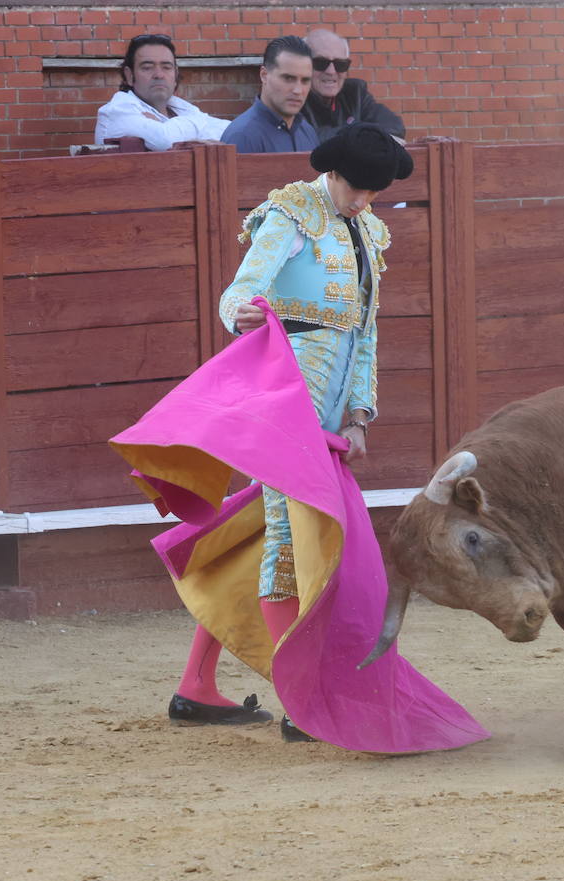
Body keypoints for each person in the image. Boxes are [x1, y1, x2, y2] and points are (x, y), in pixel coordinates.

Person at [171, 123, 399, 740]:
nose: (363, 201)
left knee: (267, 531)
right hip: (284, 401)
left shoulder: (369, 231)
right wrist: (236, 314)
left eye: (373, 192)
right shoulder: (292, 212)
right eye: (357, 188)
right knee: (288, 538)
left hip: (328, 411)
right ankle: (300, 699)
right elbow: (241, 291)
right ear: (333, 173)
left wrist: (358, 417)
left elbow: (365, 334)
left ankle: (196, 684)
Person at [94, 34, 229, 151]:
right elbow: (165, 140)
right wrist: (200, 125)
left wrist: (170, 126)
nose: (159, 75)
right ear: (129, 76)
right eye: (147, 67)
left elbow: (229, 132)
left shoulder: (180, 108)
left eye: (166, 67)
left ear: (175, 75)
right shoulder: (117, 110)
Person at [301, 29, 405, 144]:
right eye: (320, 63)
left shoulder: (355, 93)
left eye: (340, 64)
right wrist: (360, 134)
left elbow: (395, 127)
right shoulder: (294, 97)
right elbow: (304, 138)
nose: (331, 71)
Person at [221, 35, 319, 154]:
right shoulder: (243, 136)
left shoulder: (307, 131)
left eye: (305, 80)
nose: (298, 90)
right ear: (264, 75)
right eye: (288, 78)